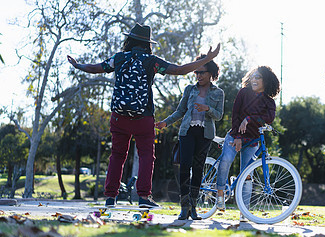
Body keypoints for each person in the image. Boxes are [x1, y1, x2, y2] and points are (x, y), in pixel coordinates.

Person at [67, 23, 220, 208]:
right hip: (144, 117)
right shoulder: (151, 61)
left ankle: (110, 198)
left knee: (117, 155)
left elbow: (96, 68)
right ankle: (143, 198)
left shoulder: (120, 58)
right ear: (148, 44)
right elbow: (179, 70)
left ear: (129, 40)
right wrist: (208, 59)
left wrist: (78, 65)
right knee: (147, 155)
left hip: (119, 116)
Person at [155, 55, 224, 220]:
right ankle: (184, 208)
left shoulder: (218, 93)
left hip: (205, 134)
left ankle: (194, 208)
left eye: (202, 72)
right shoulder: (189, 90)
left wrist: (207, 108)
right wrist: (166, 122)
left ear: (211, 73)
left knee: (198, 169)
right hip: (187, 132)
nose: (198, 76)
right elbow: (180, 111)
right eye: (196, 73)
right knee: (184, 167)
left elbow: (219, 115)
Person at [215, 66, 280, 221]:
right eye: (253, 76)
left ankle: (244, 211)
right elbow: (235, 114)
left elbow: (269, 118)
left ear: (267, 80)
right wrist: (237, 135)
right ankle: (220, 194)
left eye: (258, 77)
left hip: (252, 140)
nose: (254, 80)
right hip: (235, 136)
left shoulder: (269, 102)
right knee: (226, 160)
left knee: (248, 174)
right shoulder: (244, 93)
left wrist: (249, 118)